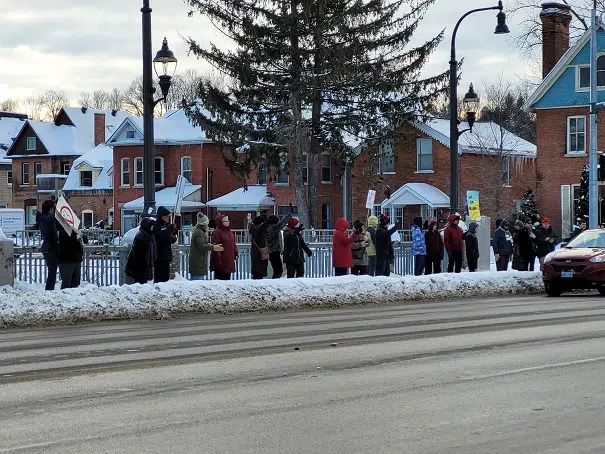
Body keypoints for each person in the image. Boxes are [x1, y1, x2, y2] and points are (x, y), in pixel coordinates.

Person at [189, 213, 223, 280]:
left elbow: (203, 244)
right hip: (198, 263)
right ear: (204, 223)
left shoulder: (200, 231)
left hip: (198, 262)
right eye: (207, 223)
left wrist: (212, 245)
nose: (208, 225)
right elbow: (201, 246)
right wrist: (213, 247)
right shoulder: (199, 233)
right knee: (197, 285)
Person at [125, 217, 157, 285]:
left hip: (144, 266)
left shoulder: (149, 236)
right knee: (139, 283)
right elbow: (137, 253)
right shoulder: (142, 236)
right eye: (151, 226)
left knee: (141, 284)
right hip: (140, 267)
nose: (152, 227)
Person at [37, 200, 58, 291]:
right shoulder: (49, 219)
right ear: (50, 209)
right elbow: (53, 235)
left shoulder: (42, 218)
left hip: (46, 247)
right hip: (51, 248)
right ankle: (49, 291)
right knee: (52, 273)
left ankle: (49, 291)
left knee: (51, 272)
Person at [153, 206, 177, 283]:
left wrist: (173, 236)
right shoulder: (156, 226)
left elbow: (170, 239)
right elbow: (161, 237)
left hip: (166, 256)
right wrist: (170, 229)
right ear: (161, 216)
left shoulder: (166, 226)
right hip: (159, 256)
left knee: (166, 278)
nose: (168, 218)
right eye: (166, 216)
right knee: (159, 278)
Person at [265, 210, 293, 279]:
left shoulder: (266, 228)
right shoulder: (273, 229)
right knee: (278, 270)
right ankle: (275, 282)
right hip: (274, 250)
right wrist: (290, 214)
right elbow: (282, 223)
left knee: (276, 269)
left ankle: (275, 280)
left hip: (270, 250)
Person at [210, 214, 238, 280]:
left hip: (229, 260)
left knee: (227, 280)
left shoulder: (229, 232)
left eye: (228, 220)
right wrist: (218, 261)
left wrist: (235, 252)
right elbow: (216, 247)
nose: (228, 222)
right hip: (221, 263)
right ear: (220, 222)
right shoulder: (217, 232)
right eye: (226, 221)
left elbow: (233, 244)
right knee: (220, 281)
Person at [249, 215, 270, 279]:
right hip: (260, 252)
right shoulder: (259, 230)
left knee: (257, 270)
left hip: (256, 251)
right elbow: (264, 226)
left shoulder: (253, 229)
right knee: (259, 271)